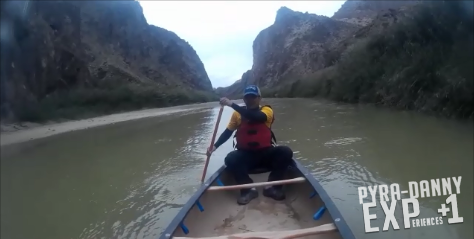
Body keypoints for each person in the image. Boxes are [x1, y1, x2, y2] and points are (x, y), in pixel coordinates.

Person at [206, 85, 294, 205]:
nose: (250, 100)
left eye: (253, 97)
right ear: (244, 99)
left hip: (266, 154)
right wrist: (214, 147)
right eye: (247, 97)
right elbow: (227, 133)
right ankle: (248, 189)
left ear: (259, 98)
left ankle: (272, 187)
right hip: (246, 157)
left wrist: (232, 105)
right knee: (231, 158)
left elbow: (257, 117)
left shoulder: (267, 111)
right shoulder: (237, 115)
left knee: (285, 152)